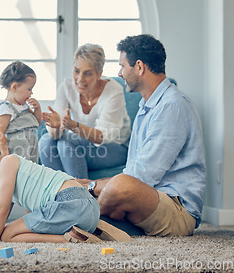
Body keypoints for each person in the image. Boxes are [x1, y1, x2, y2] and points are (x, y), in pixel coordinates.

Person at [79, 34, 206, 237]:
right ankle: (90, 222)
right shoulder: (146, 106)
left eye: (122, 66)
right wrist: (87, 184)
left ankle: (82, 220)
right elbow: (134, 171)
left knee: (120, 185)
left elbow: (142, 176)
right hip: (150, 201)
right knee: (104, 187)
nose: (119, 73)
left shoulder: (172, 105)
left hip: (177, 210)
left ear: (139, 67)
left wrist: (92, 186)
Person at [0, 135, 130, 243]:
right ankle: (81, 233)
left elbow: (1, 211)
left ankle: (70, 240)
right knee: (6, 234)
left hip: (70, 201)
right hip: (83, 209)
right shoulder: (4, 190)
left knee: (6, 235)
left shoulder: (8, 162)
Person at [39, 43, 131, 179]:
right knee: (46, 142)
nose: (80, 79)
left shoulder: (114, 90)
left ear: (99, 74)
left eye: (87, 73)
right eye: (76, 71)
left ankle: (80, 196)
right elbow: (55, 134)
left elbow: (103, 137)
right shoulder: (66, 87)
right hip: (78, 143)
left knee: (67, 144)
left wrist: (73, 126)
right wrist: (57, 126)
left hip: (115, 146)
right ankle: (59, 195)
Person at [0, 61, 42, 163]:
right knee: (19, 171)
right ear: (14, 87)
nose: (31, 92)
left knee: (32, 169)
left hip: (30, 144)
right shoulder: (6, 108)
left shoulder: (24, 106)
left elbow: (36, 122)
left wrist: (37, 109)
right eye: (29, 89)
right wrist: (5, 155)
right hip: (16, 146)